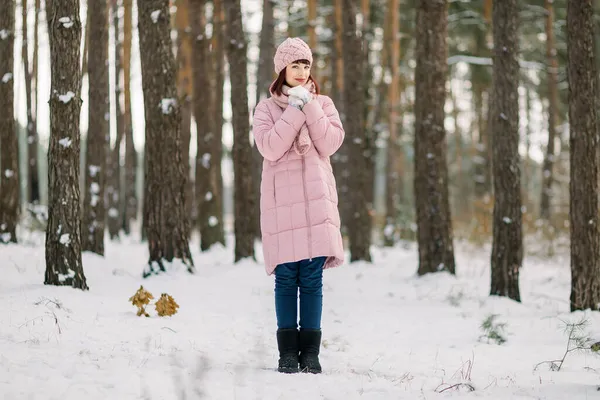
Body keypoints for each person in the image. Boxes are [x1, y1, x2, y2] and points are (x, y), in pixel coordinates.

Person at [252, 37, 345, 374]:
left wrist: (310, 105)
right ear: (283, 69)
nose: (302, 70)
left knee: (312, 279)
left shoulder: (324, 103)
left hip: (316, 204)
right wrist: (293, 109)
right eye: (295, 65)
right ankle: (287, 353)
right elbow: (271, 148)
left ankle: (311, 353)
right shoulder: (266, 109)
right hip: (283, 204)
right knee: (287, 278)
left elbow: (330, 142)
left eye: (306, 64)